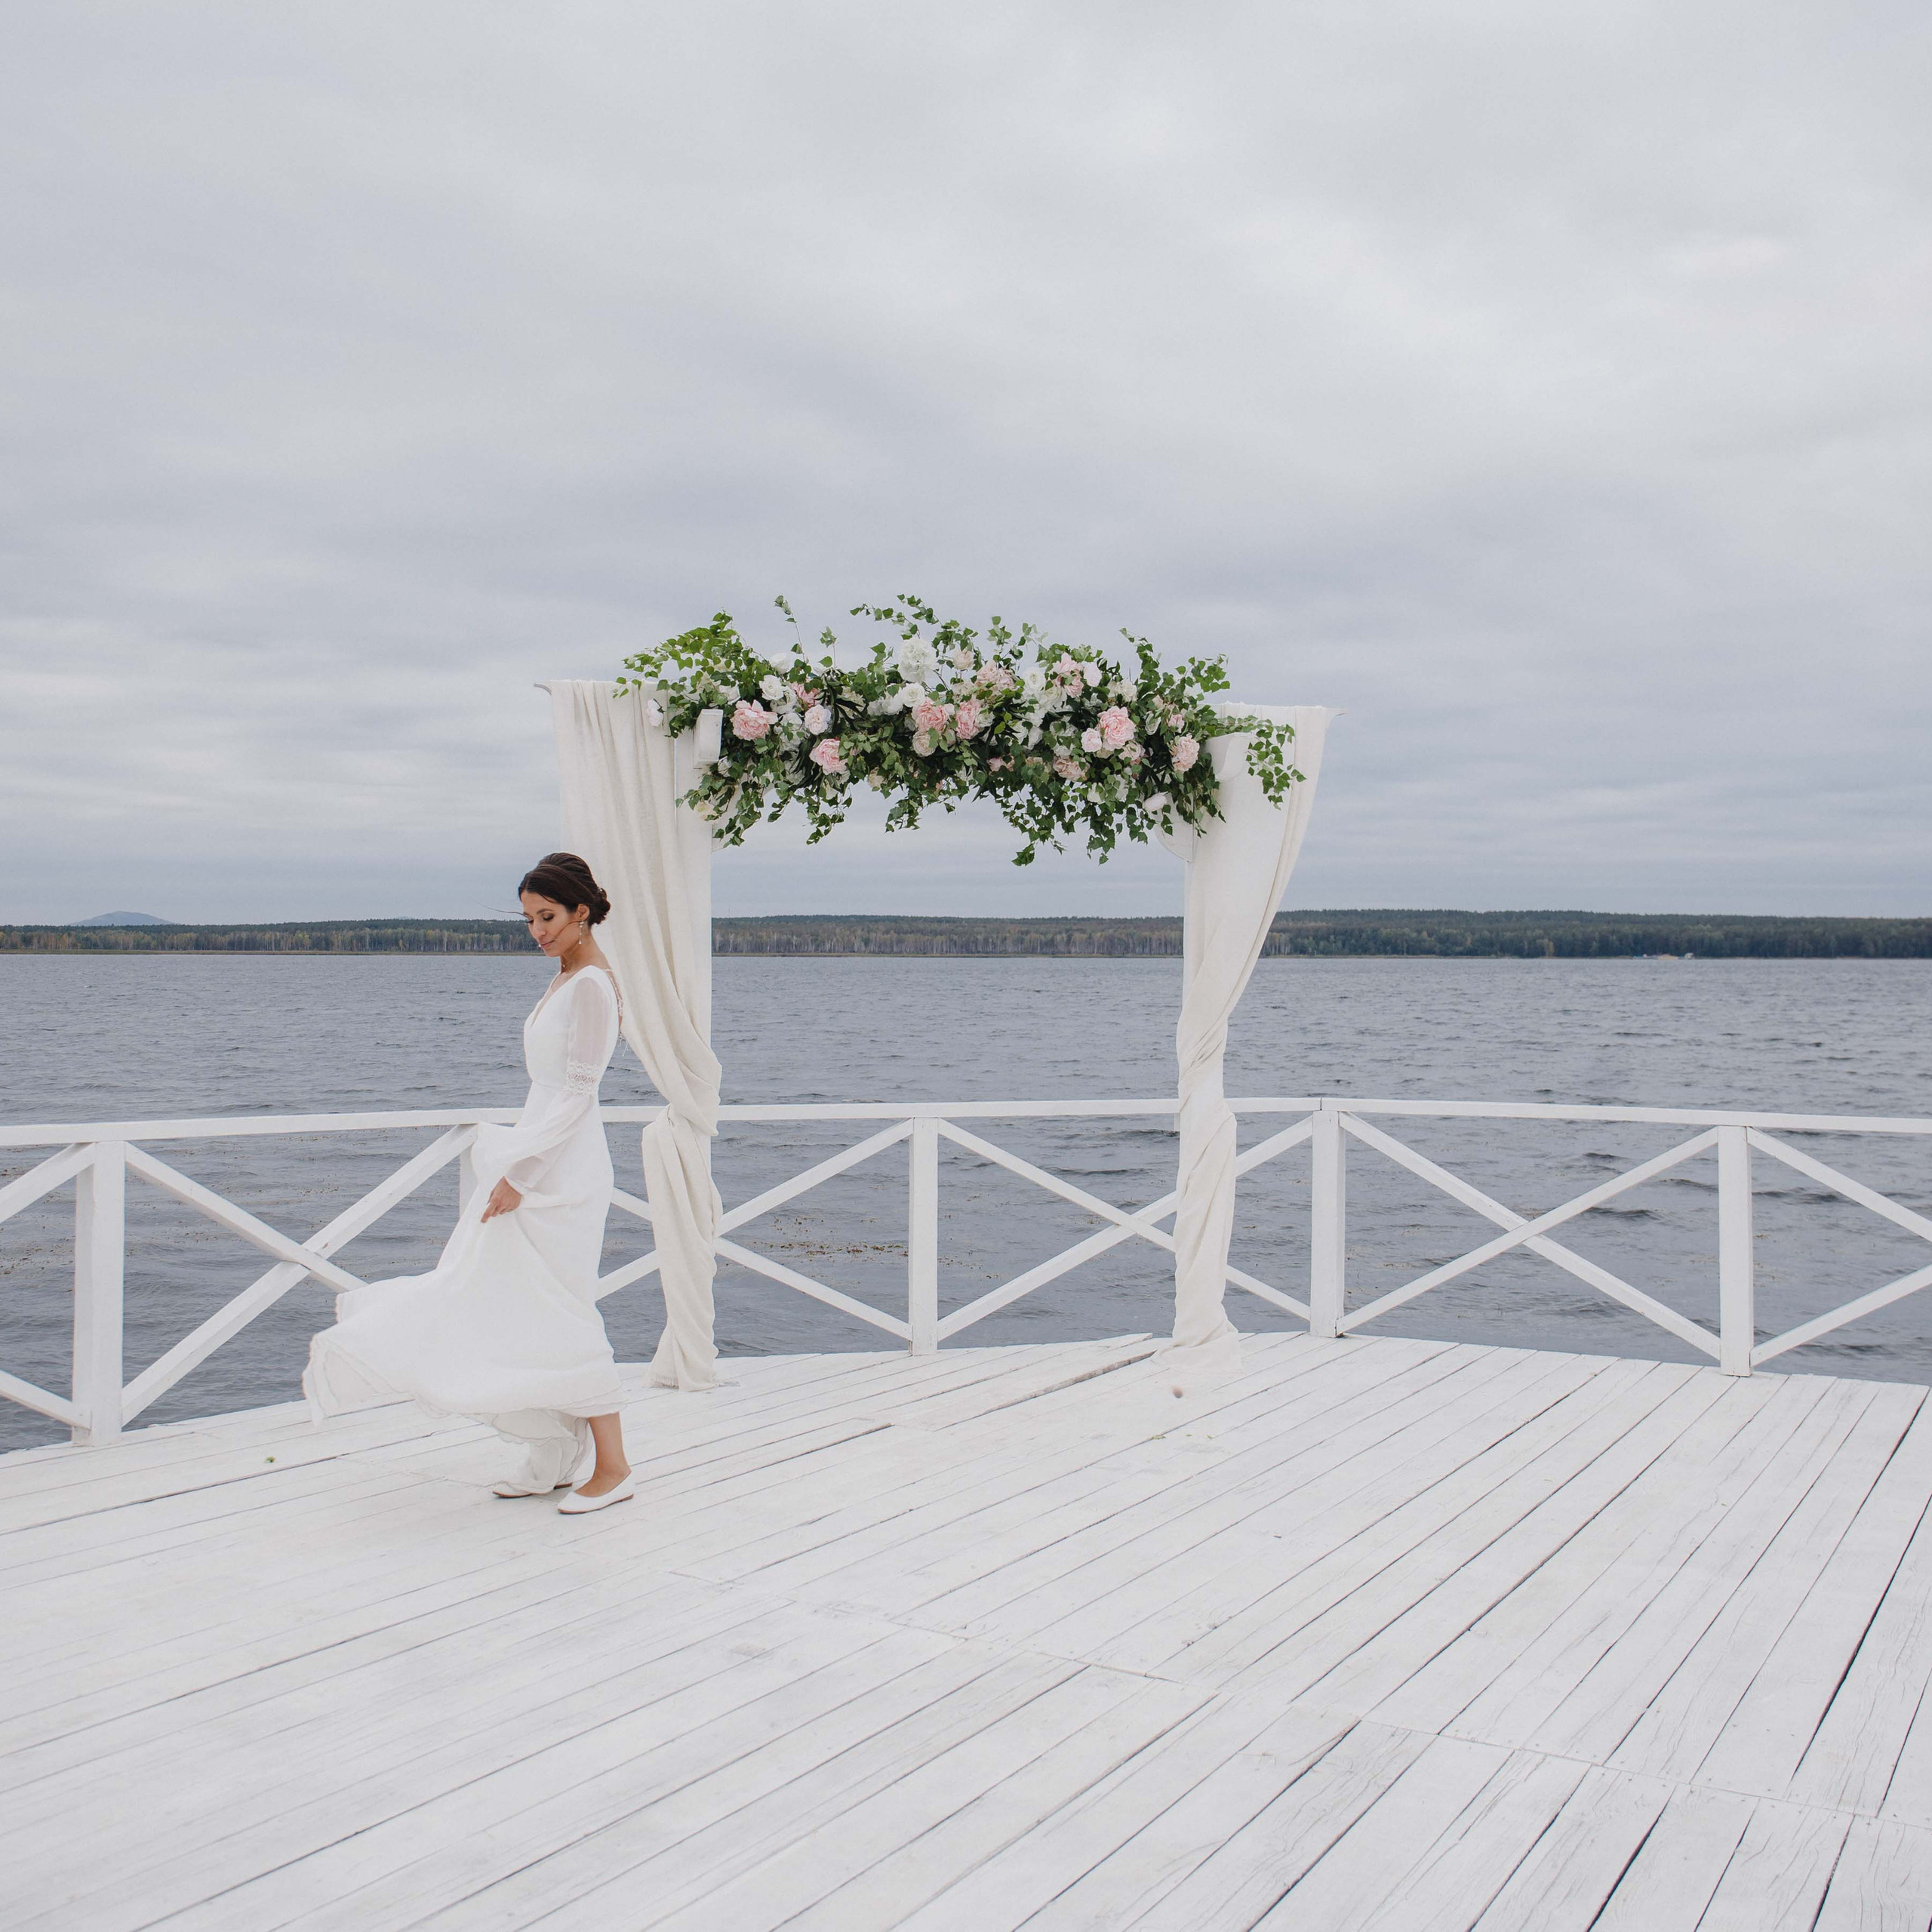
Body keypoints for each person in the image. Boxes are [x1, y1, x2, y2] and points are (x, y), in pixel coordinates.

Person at [303, 852, 635, 1514]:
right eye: (528, 920)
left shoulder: (593, 985)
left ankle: (615, 1465)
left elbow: (577, 1095)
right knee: (511, 1297)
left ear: (581, 910)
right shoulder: (565, 977)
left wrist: (521, 1173)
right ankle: (553, 1451)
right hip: (537, 1149)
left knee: (559, 1304)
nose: (537, 931)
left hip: (559, 1168)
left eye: (547, 917)